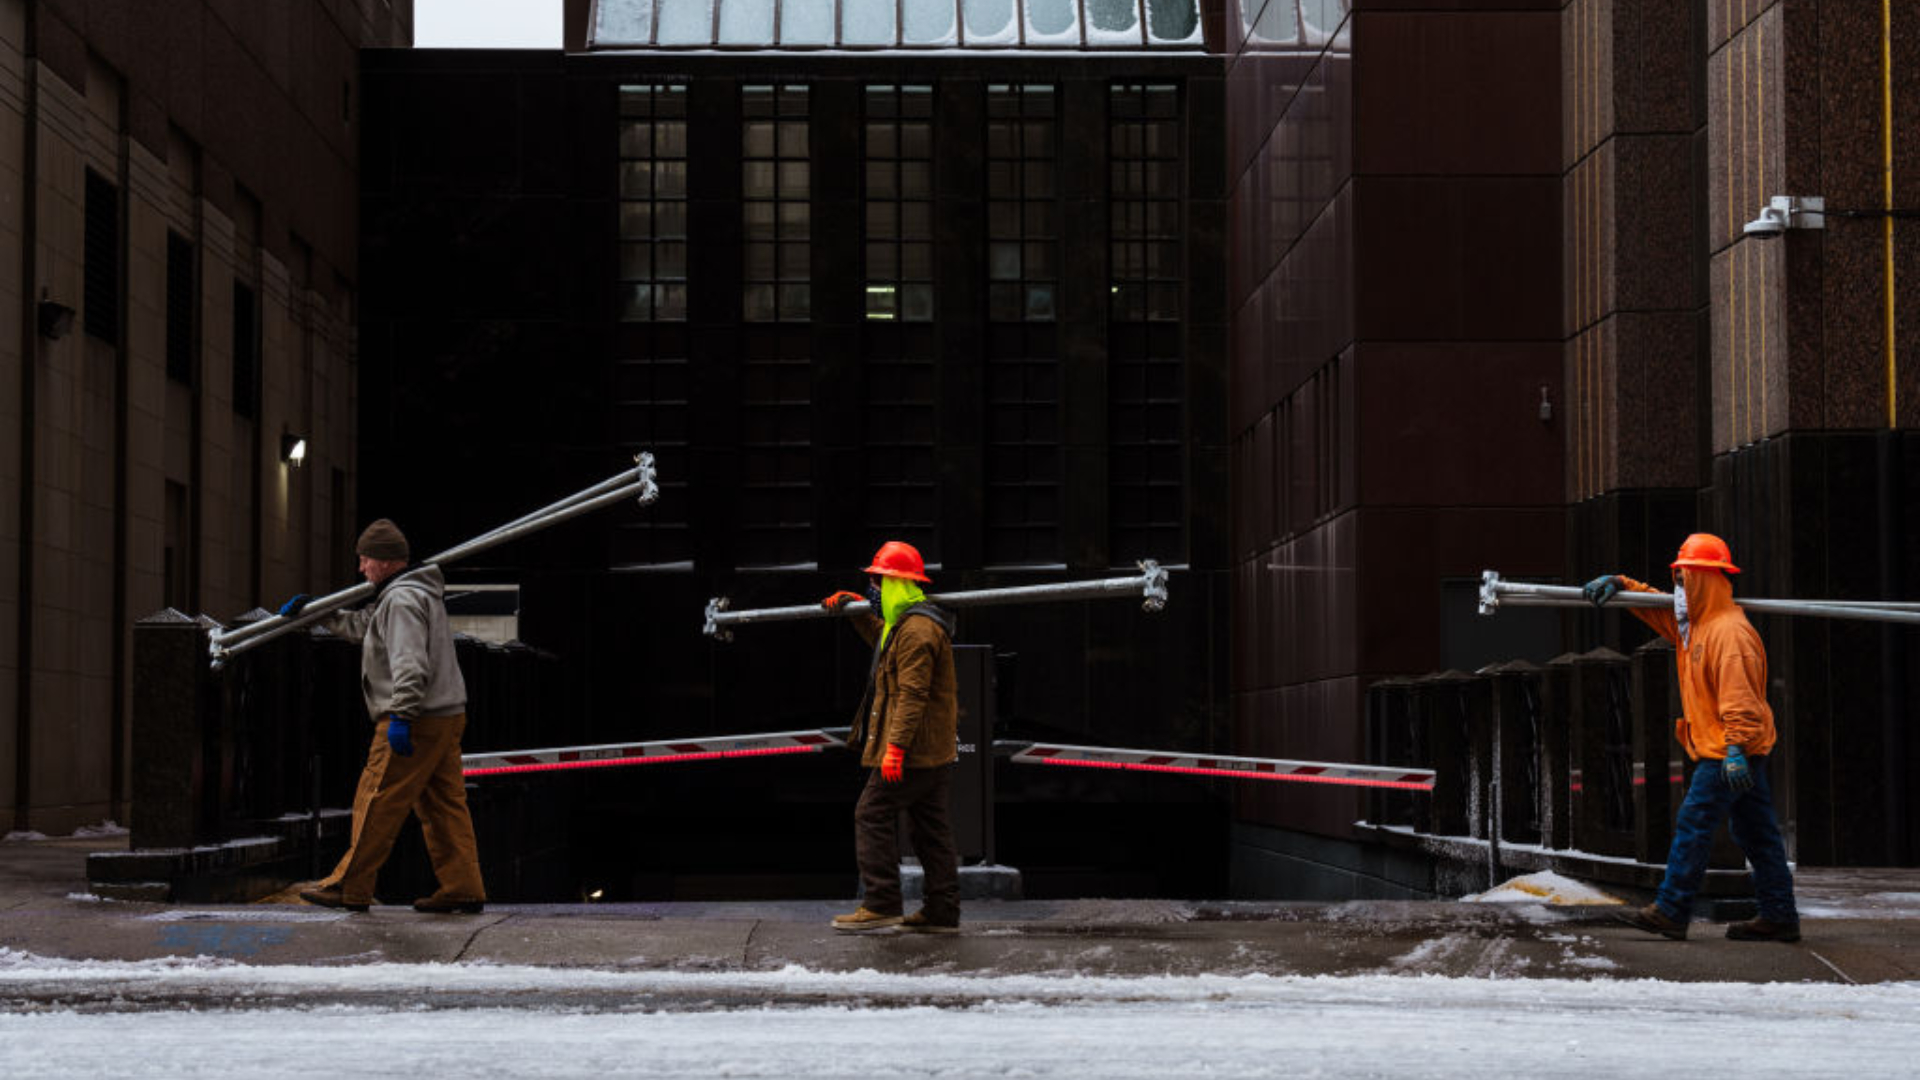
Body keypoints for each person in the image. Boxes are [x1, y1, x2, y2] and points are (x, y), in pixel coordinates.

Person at [1584, 532, 1800, 942]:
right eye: (1678, 579)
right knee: (1755, 832)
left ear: (1704, 579)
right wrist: (1621, 583)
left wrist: (1735, 747)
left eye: (1684, 579)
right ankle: (1779, 914)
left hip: (1728, 751)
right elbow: (1653, 608)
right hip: (1732, 749)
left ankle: (1672, 908)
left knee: (1694, 822)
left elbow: (1741, 699)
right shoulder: (1696, 626)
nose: (1678, 589)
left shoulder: (1728, 633)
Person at [286, 519, 487, 914]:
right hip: (445, 715)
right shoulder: (411, 594)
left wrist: (401, 715)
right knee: (444, 806)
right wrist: (318, 613)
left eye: (365, 560)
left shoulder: (401, 600)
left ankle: (350, 885)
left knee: (376, 799)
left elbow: (410, 664)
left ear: (384, 561)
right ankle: (463, 885)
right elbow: (366, 627)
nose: (361, 568)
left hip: (418, 719)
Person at [820, 540, 961, 933]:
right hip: (932, 750)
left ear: (898, 584)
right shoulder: (909, 624)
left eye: (879, 582)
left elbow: (912, 696)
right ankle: (942, 911)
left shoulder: (917, 630)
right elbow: (885, 643)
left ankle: (881, 902)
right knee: (930, 829)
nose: (874, 591)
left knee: (871, 814)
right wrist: (854, 611)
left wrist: (895, 749)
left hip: (913, 751)